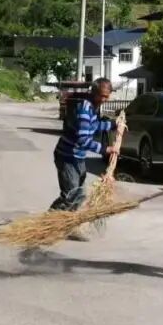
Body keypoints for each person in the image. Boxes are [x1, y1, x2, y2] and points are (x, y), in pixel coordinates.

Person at [51, 78, 119, 240]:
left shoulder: (93, 108)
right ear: (94, 93)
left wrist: (114, 125)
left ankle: (66, 225)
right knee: (71, 195)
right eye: (101, 96)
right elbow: (83, 139)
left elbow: (94, 126)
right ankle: (49, 221)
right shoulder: (84, 109)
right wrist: (105, 149)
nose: (104, 99)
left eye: (107, 96)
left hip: (78, 157)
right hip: (67, 156)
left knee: (78, 194)